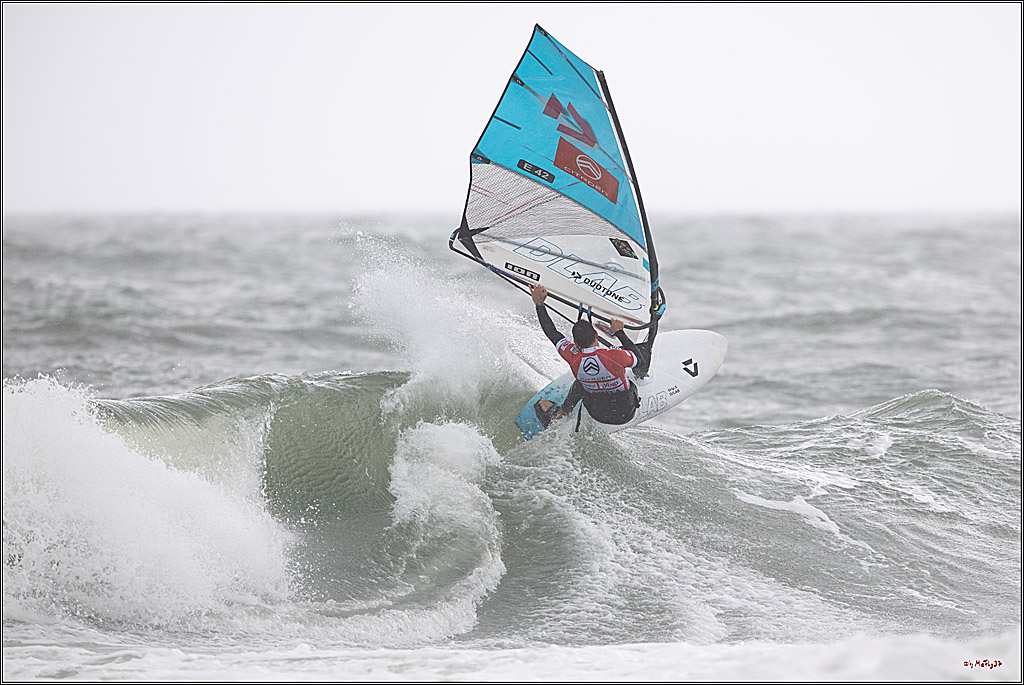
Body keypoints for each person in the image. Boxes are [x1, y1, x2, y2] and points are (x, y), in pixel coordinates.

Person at [530, 284, 652, 427]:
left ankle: (560, 414)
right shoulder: (614, 355)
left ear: (575, 342)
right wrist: (619, 332)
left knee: (581, 382)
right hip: (625, 411)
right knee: (641, 355)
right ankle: (641, 378)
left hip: (597, 413)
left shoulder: (572, 356)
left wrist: (539, 304)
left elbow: (552, 333)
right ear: (596, 335)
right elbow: (641, 362)